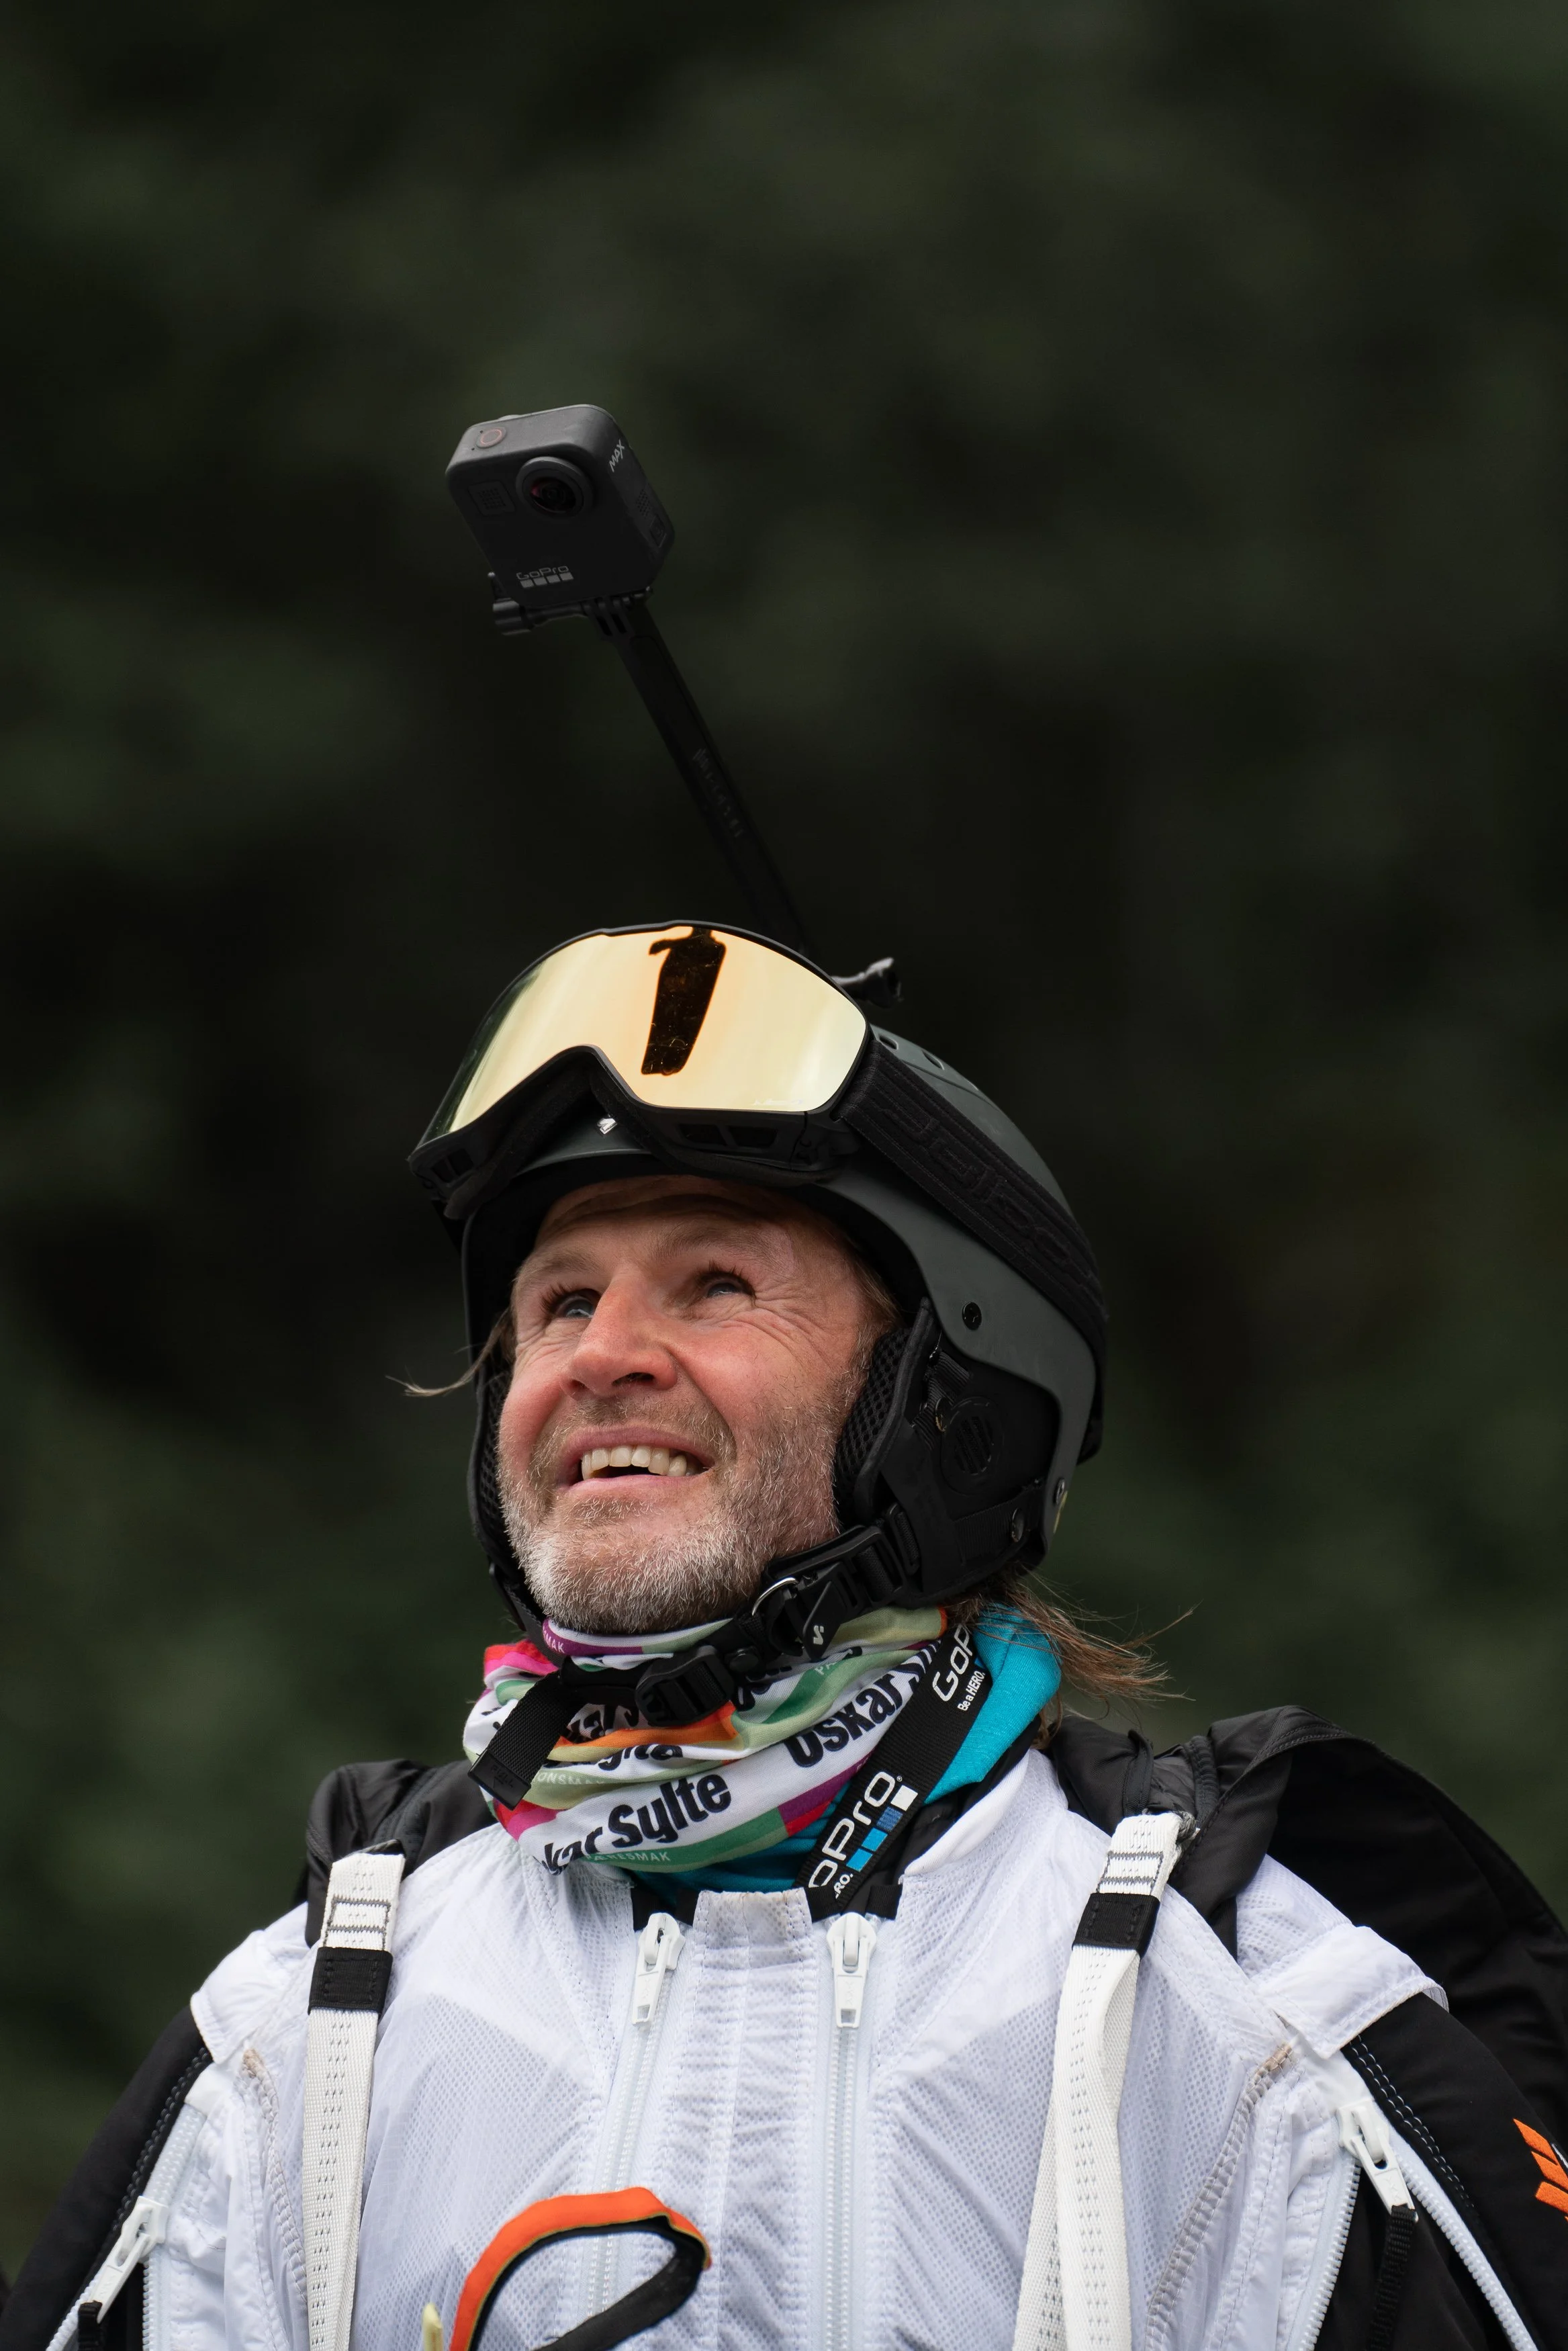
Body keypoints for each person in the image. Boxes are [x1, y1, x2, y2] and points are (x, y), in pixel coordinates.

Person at [5, 922, 1568, 2351]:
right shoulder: (312, 2016)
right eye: (555, 1305)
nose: (602, 1357)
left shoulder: (1241, 2004)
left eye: (716, 1284)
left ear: (944, 1412)